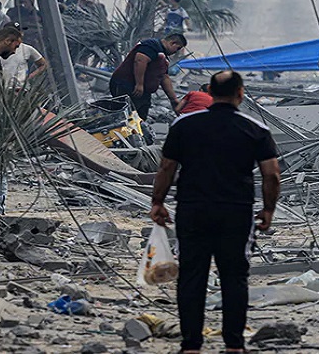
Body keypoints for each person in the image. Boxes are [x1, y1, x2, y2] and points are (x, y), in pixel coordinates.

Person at [151, 71, 281, 354]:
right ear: (241, 93)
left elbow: (166, 168)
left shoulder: (184, 125)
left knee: (191, 276)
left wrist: (157, 202)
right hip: (236, 212)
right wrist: (268, 209)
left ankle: (191, 346)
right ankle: (234, 345)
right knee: (235, 276)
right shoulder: (255, 129)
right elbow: (271, 175)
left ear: (209, 91)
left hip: (193, 209)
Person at [108, 33, 187, 136]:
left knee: (140, 115)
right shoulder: (152, 45)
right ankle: (121, 137)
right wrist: (139, 84)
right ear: (173, 43)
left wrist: (173, 99)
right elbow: (140, 60)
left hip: (143, 91)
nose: (175, 52)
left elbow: (164, 77)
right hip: (127, 85)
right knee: (127, 115)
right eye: (177, 48)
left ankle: (136, 137)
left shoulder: (163, 57)